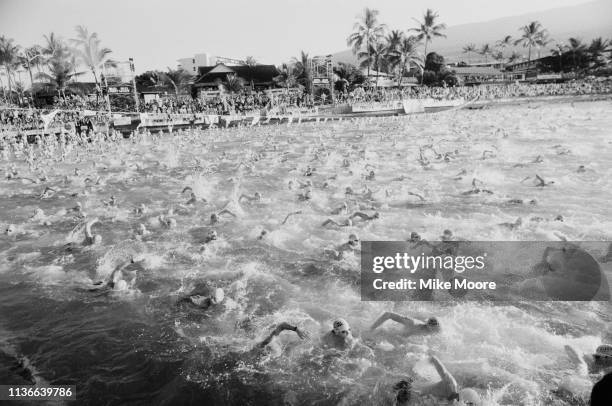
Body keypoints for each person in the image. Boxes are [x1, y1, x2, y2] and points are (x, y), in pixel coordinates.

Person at [392, 356, 482, 406]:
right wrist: (417, 368)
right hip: (407, 390)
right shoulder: (450, 384)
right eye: (468, 405)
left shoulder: (450, 401)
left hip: (414, 395)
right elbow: (433, 359)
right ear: (461, 399)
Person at [369, 312, 441, 336]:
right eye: (432, 328)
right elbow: (388, 314)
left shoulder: (437, 331)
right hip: (386, 333)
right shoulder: (412, 324)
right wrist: (372, 328)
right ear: (427, 325)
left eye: (435, 329)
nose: (434, 330)